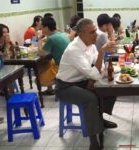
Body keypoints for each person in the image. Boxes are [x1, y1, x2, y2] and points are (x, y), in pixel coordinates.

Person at [55, 18, 117, 150]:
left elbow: (96, 68)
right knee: (90, 99)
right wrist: (102, 52)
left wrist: (94, 76)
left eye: (95, 31)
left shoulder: (91, 45)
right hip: (65, 86)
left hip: (82, 81)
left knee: (111, 88)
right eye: (92, 32)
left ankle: (99, 119)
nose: (96, 34)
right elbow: (94, 73)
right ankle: (93, 141)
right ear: (81, 34)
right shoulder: (74, 50)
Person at [95, 13, 118, 128]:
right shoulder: (102, 35)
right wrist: (111, 32)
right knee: (112, 89)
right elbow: (113, 49)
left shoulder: (98, 33)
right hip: (97, 68)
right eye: (109, 24)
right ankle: (99, 117)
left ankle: (99, 116)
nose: (110, 26)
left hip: (97, 65)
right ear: (104, 25)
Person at [38, 17, 70, 95]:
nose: (41, 30)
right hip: (68, 65)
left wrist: (39, 40)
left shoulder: (51, 39)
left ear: (46, 28)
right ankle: (50, 89)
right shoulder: (61, 34)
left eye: (41, 28)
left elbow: (41, 53)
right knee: (47, 63)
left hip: (61, 67)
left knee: (38, 81)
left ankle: (59, 81)